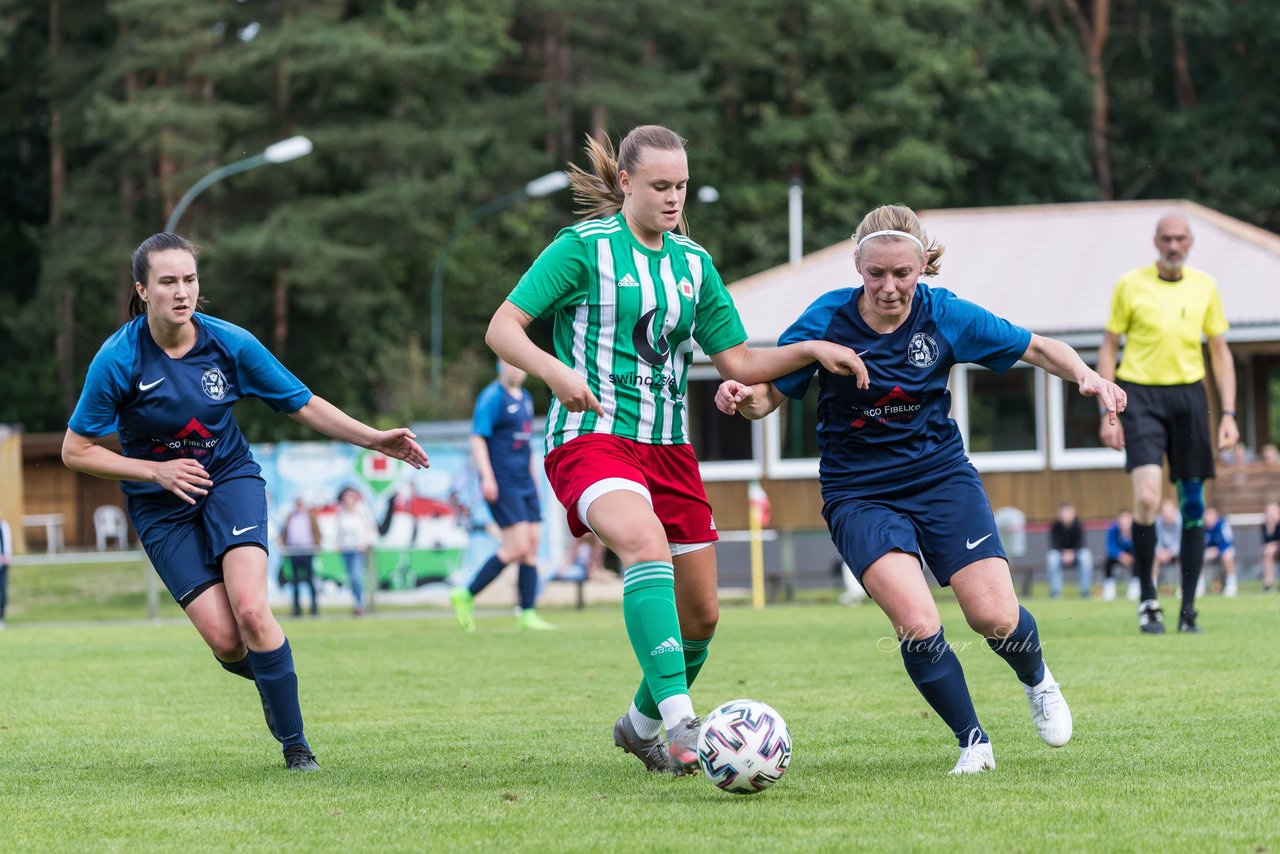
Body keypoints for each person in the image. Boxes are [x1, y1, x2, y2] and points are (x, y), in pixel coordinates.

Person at [484, 125, 867, 776]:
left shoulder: (695, 264)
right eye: (660, 186)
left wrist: (805, 352)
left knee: (702, 616)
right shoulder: (583, 249)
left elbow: (740, 360)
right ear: (626, 182)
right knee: (643, 544)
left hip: (669, 451)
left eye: (681, 186)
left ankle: (638, 727)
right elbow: (503, 327)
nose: (673, 198)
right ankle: (682, 722)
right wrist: (555, 372)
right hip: (594, 437)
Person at [716, 203, 1127, 774]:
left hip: (940, 478)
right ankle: (974, 742)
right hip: (858, 492)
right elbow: (768, 397)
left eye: (901, 273)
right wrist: (743, 399)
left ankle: (1038, 680)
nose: (888, 286)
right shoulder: (826, 320)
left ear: (923, 266)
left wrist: (1087, 374)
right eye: (875, 273)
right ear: (858, 268)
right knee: (916, 620)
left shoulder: (946, 315)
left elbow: (1035, 346)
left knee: (992, 616)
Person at [61, 232, 430, 772]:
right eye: (168, 282)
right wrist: (154, 471)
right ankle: (275, 673)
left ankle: (296, 747)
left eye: (189, 279)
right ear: (142, 290)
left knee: (254, 612)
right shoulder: (118, 359)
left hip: (229, 480)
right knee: (227, 641)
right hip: (160, 505)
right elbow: (76, 450)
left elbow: (301, 403)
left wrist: (374, 437)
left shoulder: (229, 343)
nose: (182, 291)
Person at [1097, 212, 1237, 634]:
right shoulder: (1130, 284)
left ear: (1190, 242)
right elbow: (1108, 347)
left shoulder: (1205, 286)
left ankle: (1188, 609)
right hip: (1140, 395)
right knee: (1146, 499)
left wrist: (1228, 414)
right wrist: (1109, 410)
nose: (1173, 246)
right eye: (1166, 239)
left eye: (1180, 239)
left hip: (1189, 397)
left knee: (1193, 505)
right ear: (1155, 241)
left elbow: (1220, 352)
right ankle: (1148, 599)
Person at [449, 360, 555, 631]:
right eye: (511, 364)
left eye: (520, 364)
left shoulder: (527, 399)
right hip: (503, 482)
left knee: (531, 546)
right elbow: (477, 438)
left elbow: (526, 444)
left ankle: (527, 613)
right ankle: (465, 594)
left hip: (525, 483)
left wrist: (535, 480)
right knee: (516, 547)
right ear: (499, 366)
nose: (517, 369)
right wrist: (487, 476)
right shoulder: (492, 398)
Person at [335, 486, 379, 616]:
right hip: (346, 549)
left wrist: (367, 543)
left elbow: (370, 528)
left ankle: (360, 604)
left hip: (359, 549)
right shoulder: (341, 512)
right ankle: (357, 601)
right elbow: (337, 529)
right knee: (351, 578)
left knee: (356, 576)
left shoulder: (362, 510)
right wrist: (337, 543)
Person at [281, 496, 321, 617]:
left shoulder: (310, 517)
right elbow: (285, 532)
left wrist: (316, 544)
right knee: (295, 581)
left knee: (310, 580)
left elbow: (317, 532)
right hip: (293, 551)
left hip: (307, 551)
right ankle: (297, 609)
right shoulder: (291, 517)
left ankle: (314, 608)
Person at [1045, 502, 1094, 599]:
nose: (1065, 515)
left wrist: (1072, 553)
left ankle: (1085, 591)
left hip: (1076, 554)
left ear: (1073, 513)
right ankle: (1056, 592)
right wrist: (1064, 553)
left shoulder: (1078, 525)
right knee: (1052, 557)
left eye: (1068, 512)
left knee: (1086, 556)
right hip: (1060, 555)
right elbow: (1054, 544)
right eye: (1063, 512)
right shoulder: (1055, 526)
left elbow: (1081, 543)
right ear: (1059, 514)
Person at [1202, 505, 1237, 597]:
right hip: (1208, 552)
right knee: (1198, 556)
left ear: (1216, 515)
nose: (1208, 517)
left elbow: (1227, 542)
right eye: (1206, 514)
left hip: (1222, 550)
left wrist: (1217, 550)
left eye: (1210, 514)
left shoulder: (1223, 525)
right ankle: (1199, 586)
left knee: (1227, 555)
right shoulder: (1201, 527)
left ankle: (1231, 585)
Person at [1103, 509, 1136, 602]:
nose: (1125, 523)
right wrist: (1120, 555)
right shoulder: (1113, 530)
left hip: (1132, 556)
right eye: (1122, 520)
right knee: (1108, 561)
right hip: (1118, 556)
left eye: (1127, 521)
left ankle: (1135, 587)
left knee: (1138, 561)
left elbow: (1139, 546)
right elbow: (1110, 546)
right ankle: (1109, 588)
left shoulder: (1135, 530)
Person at [1154, 498, 1183, 597]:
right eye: (1164, 512)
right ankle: (1152, 587)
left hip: (1177, 551)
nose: (1166, 515)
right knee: (1154, 557)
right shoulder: (1158, 522)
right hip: (1163, 552)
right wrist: (1160, 551)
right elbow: (1157, 540)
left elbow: (1181, 541)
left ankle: (1181, 588)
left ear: (1175, 511)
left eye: (1168, 512)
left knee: (1182, 557)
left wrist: (1170, 552)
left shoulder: (1181, 521)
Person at [1261, 500, 1280, 593]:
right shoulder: (1265, 525)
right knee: (1267, 551)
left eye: (1273, 510)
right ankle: (1268, 585)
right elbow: (1265, 542)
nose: (1271, 513)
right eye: (1269, 511)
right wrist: (1271, 526)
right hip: (1274, 552)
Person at [0, 513, 11, 629]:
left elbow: (7, 542)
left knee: (3, 591)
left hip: (3, 564)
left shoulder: (4, 526)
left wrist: (6, 555)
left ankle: (1, 617)